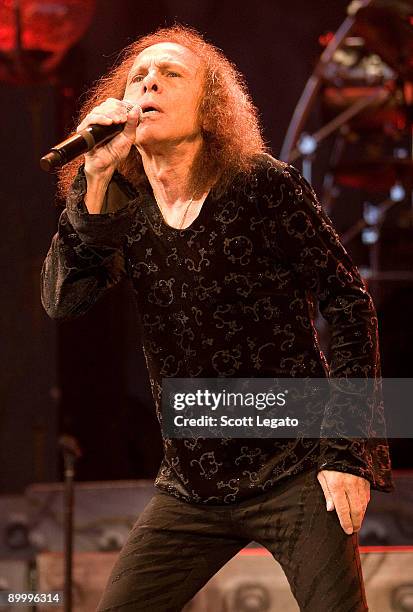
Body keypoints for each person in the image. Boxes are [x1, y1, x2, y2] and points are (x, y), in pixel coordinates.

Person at [41, 25, 393, 611]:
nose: (148, 80)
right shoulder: (124, 206)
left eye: (170, 74)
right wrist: (96, 179)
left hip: (297, 466)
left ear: (209, 108)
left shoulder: (262, 185)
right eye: (137, 76)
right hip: (192, 482)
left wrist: (348, 451)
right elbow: (64, 300)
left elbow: (351, 308)